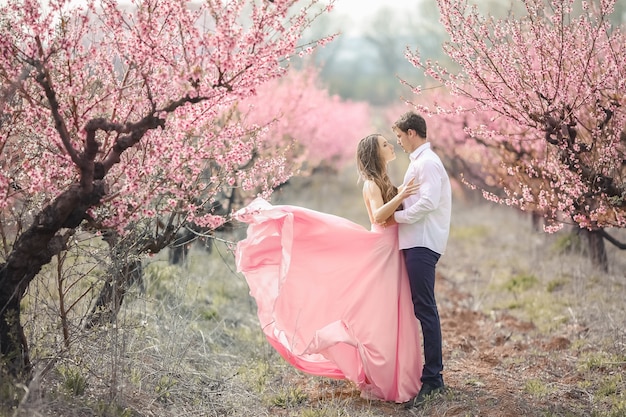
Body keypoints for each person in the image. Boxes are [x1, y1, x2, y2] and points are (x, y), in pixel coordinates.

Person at [234, 133, 422, 403]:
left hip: (392, 252)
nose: (390, 145)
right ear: (374, 153)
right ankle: (384, 379)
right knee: (378, 318)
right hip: (381, 252)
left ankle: (401, 376)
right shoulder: (370, 184)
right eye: (384, 144)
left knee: (395, 314)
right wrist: (403, 194)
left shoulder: (384, 180)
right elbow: (379, 216)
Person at [390, 111, 452, 409]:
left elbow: (428, 202)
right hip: (416, 242)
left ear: (412, 132)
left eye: (400, 137)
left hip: (422, 243)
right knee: (421, 308)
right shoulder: (421, 162)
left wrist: (396, 217)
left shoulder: (427, 163)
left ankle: (433, 379)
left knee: (426, 309)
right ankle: (428, 374)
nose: (399, 142)